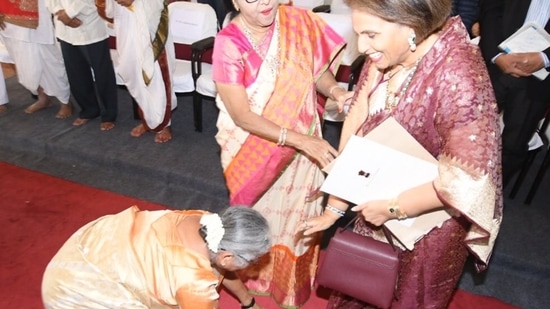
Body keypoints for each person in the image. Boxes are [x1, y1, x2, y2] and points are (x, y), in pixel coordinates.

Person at [301, 0, 503, 308]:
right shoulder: (385, 54)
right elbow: (356, 124)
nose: (362, 46)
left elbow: (470, 180)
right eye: (359, 34)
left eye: (370, 34)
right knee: (360, 287)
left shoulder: (460, 74)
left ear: (411, 27)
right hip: (375, 203)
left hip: (429, 226)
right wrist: (335, 208)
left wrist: (393, 209)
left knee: (411, 298)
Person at [212, 0, 351, 307]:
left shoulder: (297, 21)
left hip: (305, 146)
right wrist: (299, 140)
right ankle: (255, 279)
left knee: (300, 216)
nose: (264, 2)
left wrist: (337, 91)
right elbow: (241, 116)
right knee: (259, 218)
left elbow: (317, 72)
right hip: (254, 151)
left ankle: (288, 286)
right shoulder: (228, 44)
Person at [42, 206, 270, 309]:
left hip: (88, 247)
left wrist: (249, 303)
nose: (255, 265)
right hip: (76, 293)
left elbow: (222, 267)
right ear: (228, 256)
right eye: (253, 260)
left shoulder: (209, 222)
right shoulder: (195, 284)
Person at [479, 0, 550, 187]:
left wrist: (545, 57)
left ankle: (488, 198)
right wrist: (496, 55)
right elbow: (492, 8)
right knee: (466, 127)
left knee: (513, 146)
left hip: (539, 82)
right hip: (496, 64)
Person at [96, 0, 176, 143]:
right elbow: (107, 10)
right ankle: (148, 119)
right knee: (135, 75)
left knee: (155, 77)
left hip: (151, 29)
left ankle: (164, 124)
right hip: (126, 27)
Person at [45, 0, 118, 131]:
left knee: (102, 73)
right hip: (64, 27)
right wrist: (59, 12)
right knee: (76, 73)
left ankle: (109, 115)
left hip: (90, 23)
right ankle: (89, 110)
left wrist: (69, 14)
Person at [0, 1, 72, 118]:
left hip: (37, 19)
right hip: (7, 16)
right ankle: (43, 98)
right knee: (23, 61)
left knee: (47, 60)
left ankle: (65, 101)